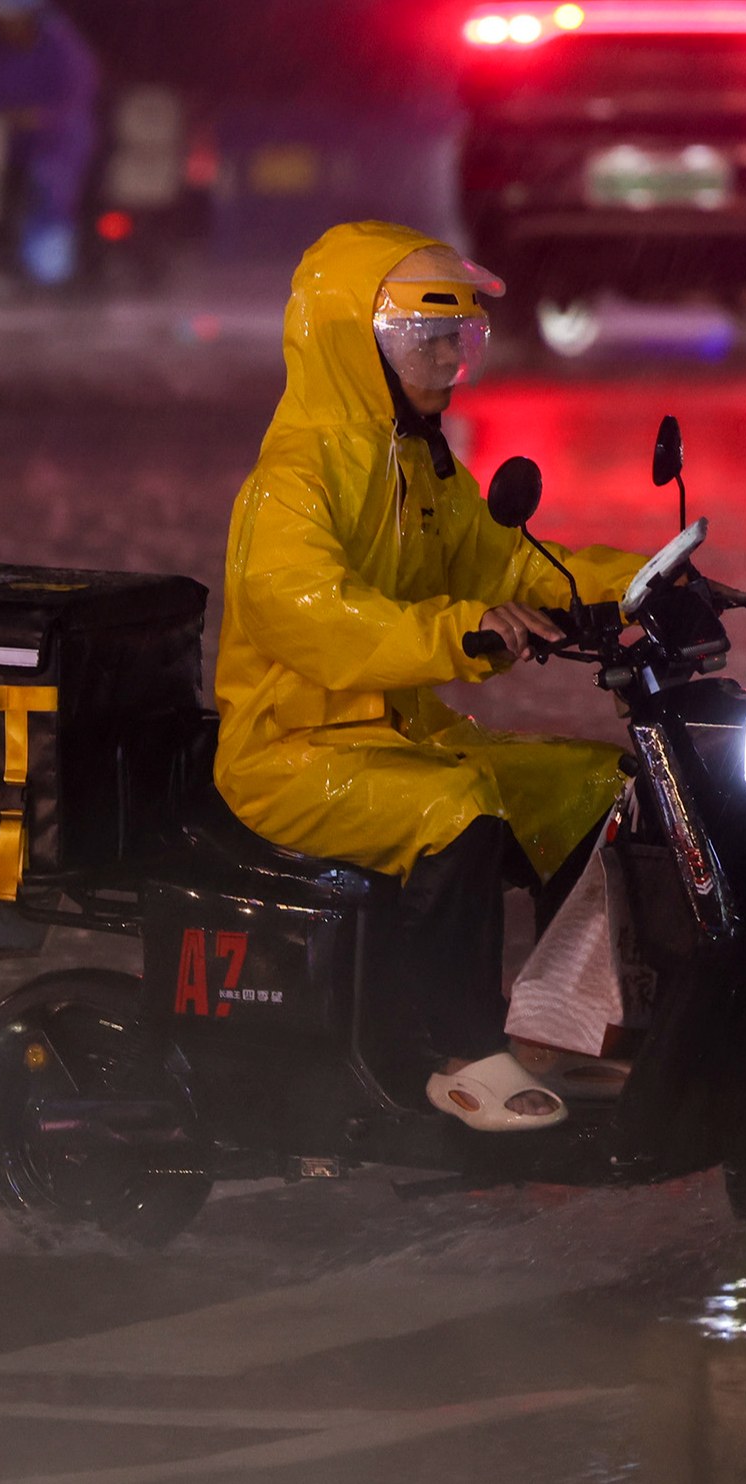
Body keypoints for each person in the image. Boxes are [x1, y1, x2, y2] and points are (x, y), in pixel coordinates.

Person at [213, 220, 649, 1132]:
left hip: (401, 739)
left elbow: (508, 566)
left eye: (462, 339)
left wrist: (643, 580)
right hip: (292, 753)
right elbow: (312, 615)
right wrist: (460, 633)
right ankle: (447, 1055)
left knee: (603, 790)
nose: (452, 360)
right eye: (430, 339)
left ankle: (563, 1027)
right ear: (353, 344)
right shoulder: (293, 478)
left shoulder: (423, 462)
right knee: (460, 812)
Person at [0, 0, 100, 289]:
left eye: (7, 19)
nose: (1, 26)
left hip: (58, 148)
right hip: (8, 151)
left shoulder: (64, 50)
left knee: (50, 195)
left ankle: (50, 275)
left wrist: (39, 117)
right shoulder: (5, 58)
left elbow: (77, 96)